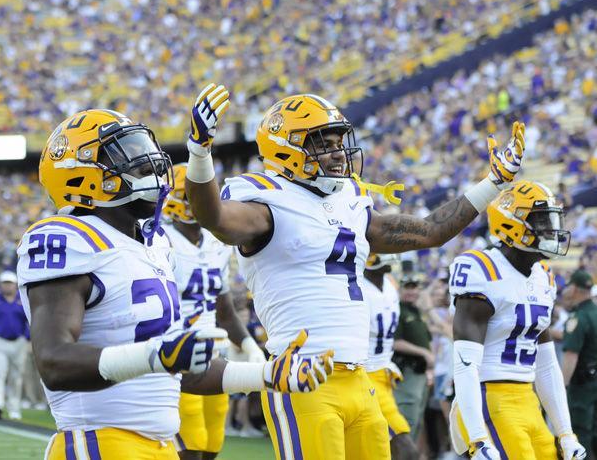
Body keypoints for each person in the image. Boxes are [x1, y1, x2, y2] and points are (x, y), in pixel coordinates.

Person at [183, 83, 526, 460]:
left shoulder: (349, 202)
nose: (336, 153)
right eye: (322, 143)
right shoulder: (265, 200)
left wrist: (493, 182)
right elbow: (212, 216)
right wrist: (200, 153)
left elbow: (430, 232)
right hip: (301, 378)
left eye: (337, 141)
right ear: (286, 148)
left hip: (361, 380)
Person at [17, 108, 333, 459]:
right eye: (129, 154)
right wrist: (157, 356)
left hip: (162, 444)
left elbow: (187, 372)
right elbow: (53, 361)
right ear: (84, 175)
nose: (150, 163)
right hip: (99, 442)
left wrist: (267, 375)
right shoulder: (67, 238)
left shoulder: (155, 244)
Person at [449, 180, 586, 460]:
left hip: (528, 399)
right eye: (541, 221)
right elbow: (464, 367)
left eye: (552, 220)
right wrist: (478, 439)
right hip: (489, 397)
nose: (551, 229)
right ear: (512, 223)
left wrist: (565, 432)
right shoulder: (482, 269)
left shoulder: (543, 276)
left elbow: (547, 366)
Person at [162, 163, 266, 460]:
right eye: (193, 195)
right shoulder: (162, 242)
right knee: (189, 449)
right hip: (179, 356)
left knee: (211, 447)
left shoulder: (215, 243)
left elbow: (224, 311)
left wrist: (248, 345)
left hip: (213, 356)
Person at [363, 253, 419, 459]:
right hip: (364, 374)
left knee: (378, 448)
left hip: (383, 372)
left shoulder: (390, 283)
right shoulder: (356, 287)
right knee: (405, 446)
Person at [0, 271, 29, 420]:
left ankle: (14, 408)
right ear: (1, 285)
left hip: (19, 342)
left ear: (15, 284)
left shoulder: (23, 299)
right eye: (4, 283)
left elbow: (31, 321)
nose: (7, 286)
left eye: (9, 283)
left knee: (16, 376)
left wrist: (30, 340)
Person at [391, 274, 433, 441]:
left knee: (416, 420)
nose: (411, 291)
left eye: (414, 287)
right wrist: (424, 353)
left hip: (419, 372)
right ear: (399, 289)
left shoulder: (415, 311)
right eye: (407, 287)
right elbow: (395, 342)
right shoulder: (397, 309)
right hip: (406, 370)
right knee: (407, 418)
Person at [562, 270, 597, 457]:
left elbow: (571, 356)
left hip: (582, 386)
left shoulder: (579, 318)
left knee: (580, 434)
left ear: (574, 288)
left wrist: (562, 386)